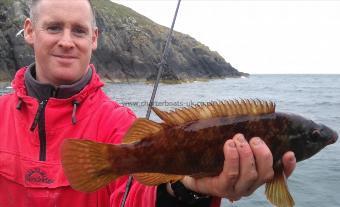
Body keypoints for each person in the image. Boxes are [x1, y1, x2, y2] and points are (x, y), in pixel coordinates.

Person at [0, 0, 296, 206]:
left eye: (78, 30)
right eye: (53, 28)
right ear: (29, 30)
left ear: (94, 38)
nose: (67, 40)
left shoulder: (121, 126)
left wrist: (186, 190)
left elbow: (138, 196)